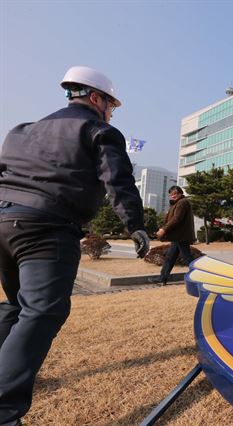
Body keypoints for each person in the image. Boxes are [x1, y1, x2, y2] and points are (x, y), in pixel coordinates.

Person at [0, 66, 150, 425]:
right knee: (41, 312)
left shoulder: (21, 130)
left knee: (18, 307)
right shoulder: (98, 129)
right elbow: (118, 181)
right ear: (96, 98)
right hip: (46, 227)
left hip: (3, 222)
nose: (112, 113)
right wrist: (136, 226)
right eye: (112, 105)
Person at [150, 185, 196, 285]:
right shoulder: (178, 203)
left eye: (175, 193)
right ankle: (162, 278)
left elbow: (176, 219)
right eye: (171, 194)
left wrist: (164, 229)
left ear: (180, 193)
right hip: (179, 236)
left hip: (181, 236)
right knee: (170, 257)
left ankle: (200, 277)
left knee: (187, 258)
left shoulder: (182, 203)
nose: (173, 196)